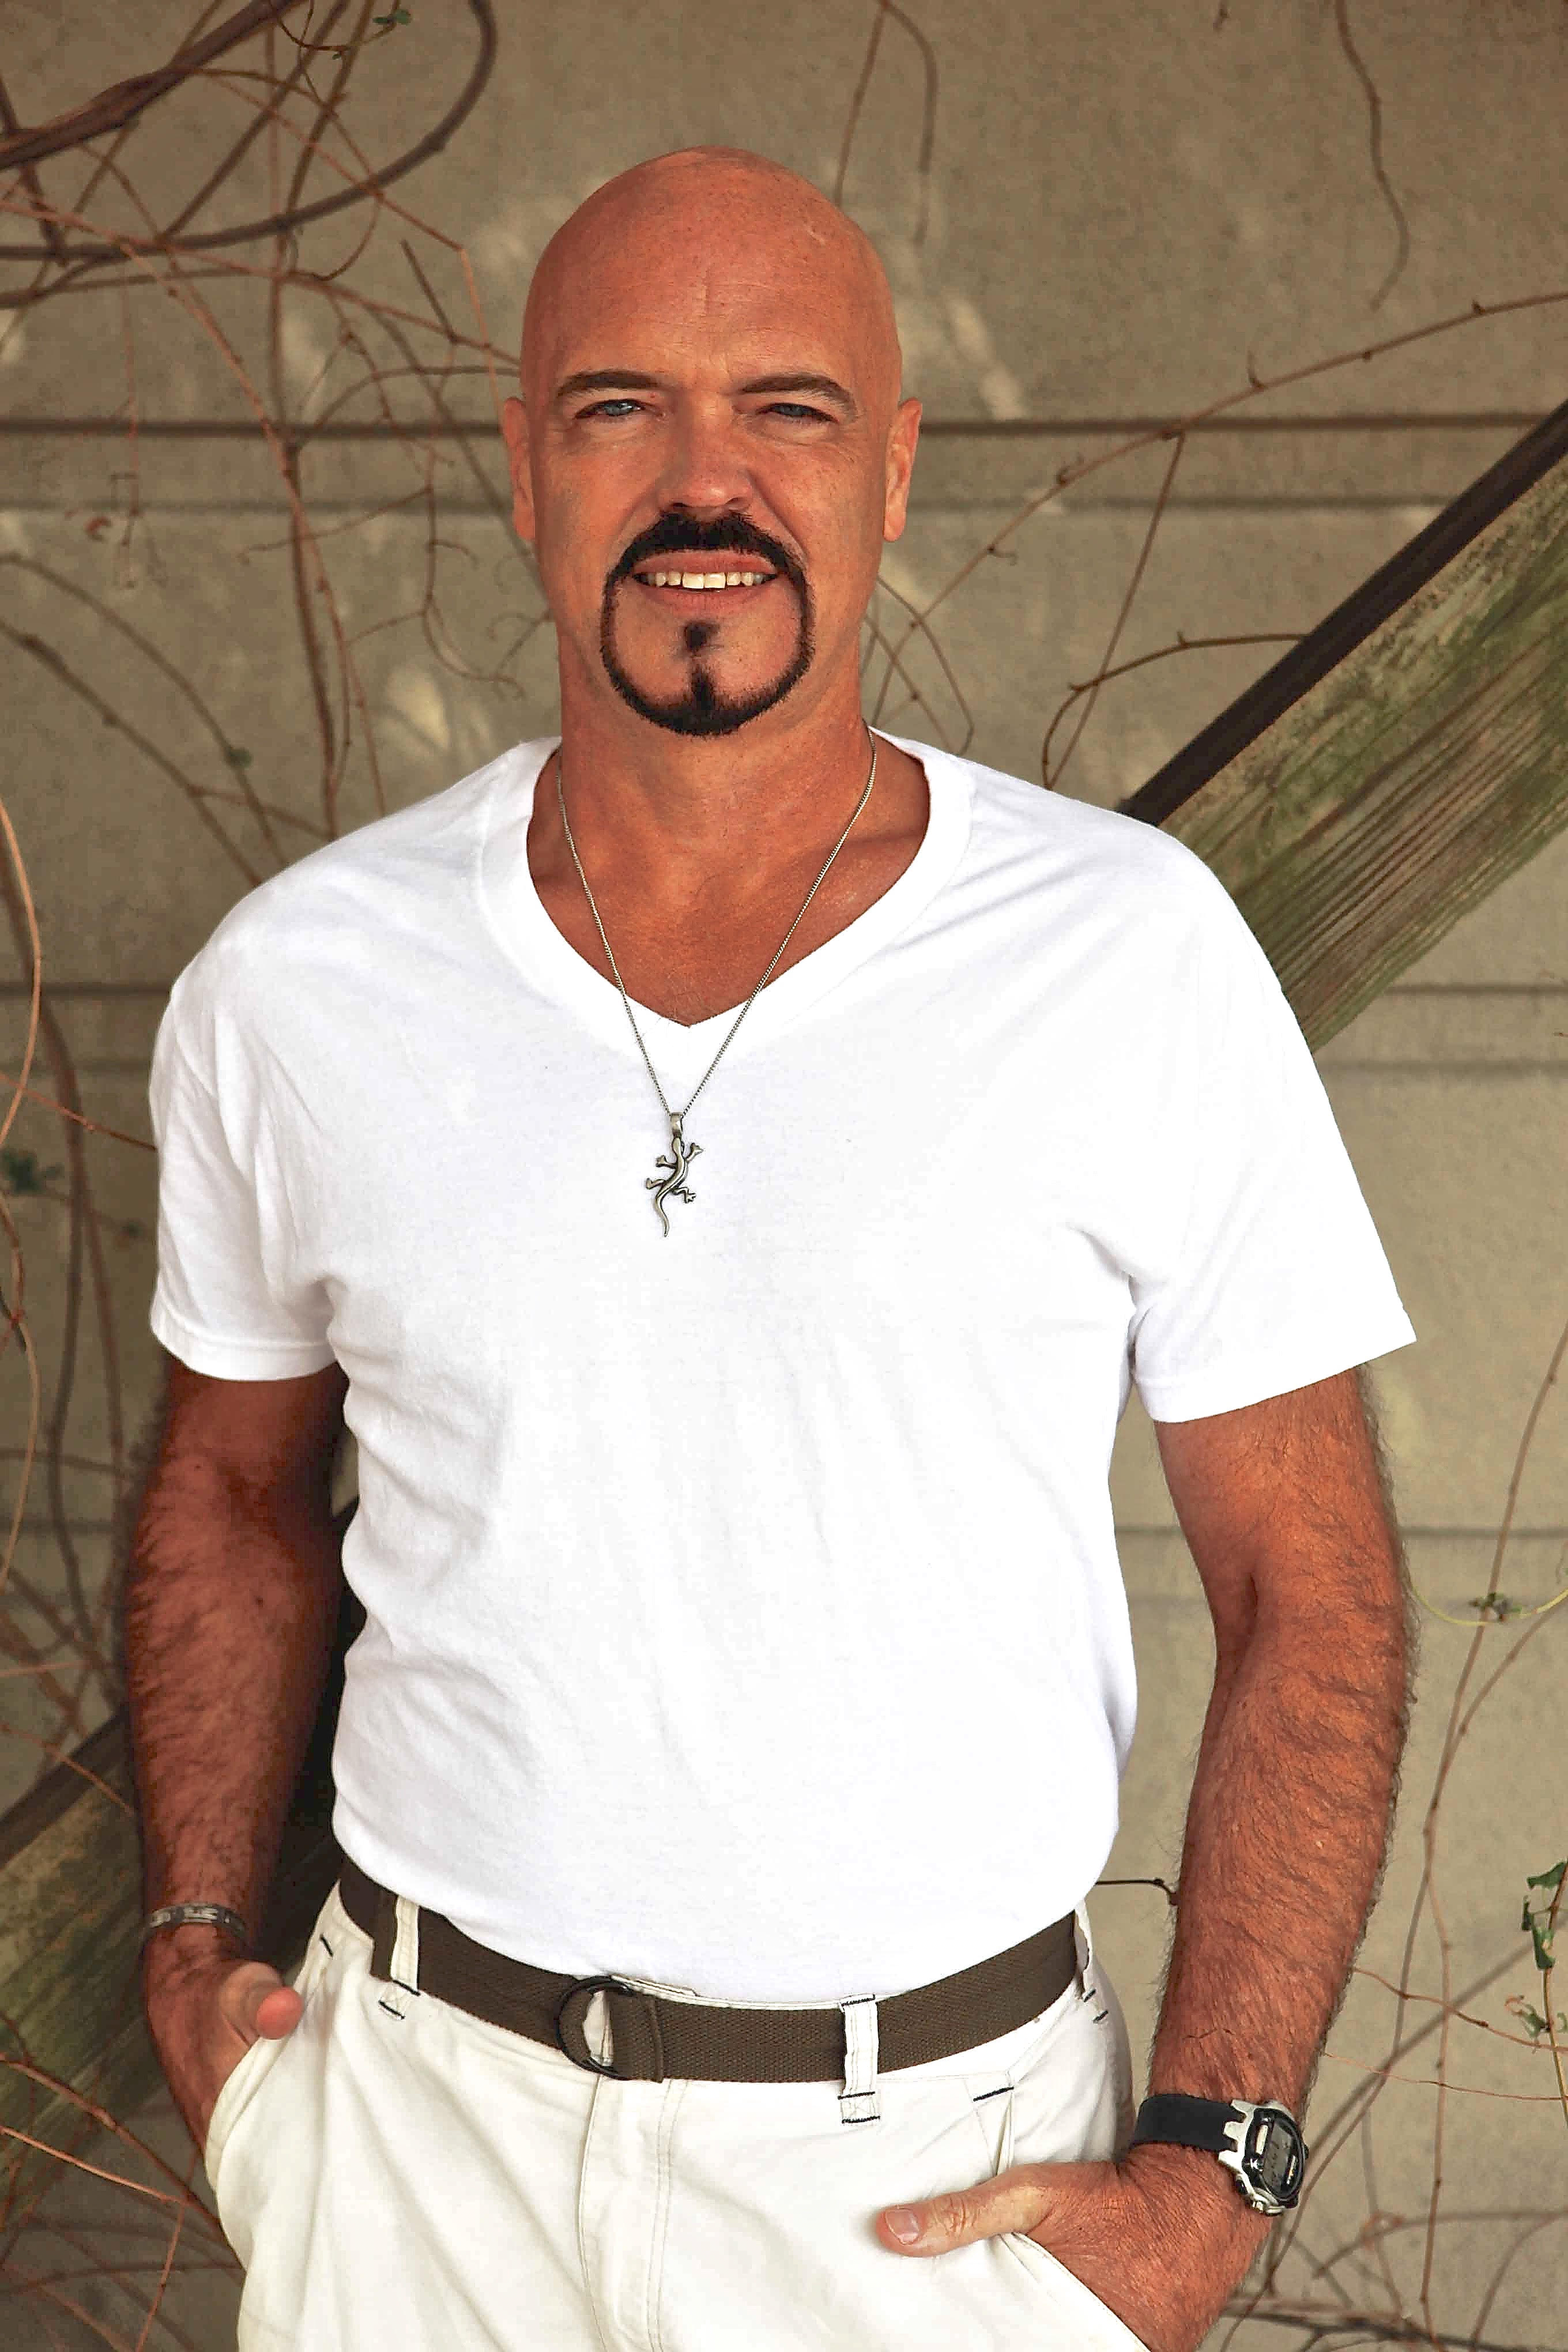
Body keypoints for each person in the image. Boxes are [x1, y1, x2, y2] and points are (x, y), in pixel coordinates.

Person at [126, 146, 1415, 2352]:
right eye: (619, 406)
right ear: (524, 469)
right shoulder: (301, 983)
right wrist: (191, 1947)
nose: (702, 481)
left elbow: (1316, 1587)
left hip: (933, 2196)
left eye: (787, 410)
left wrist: (1217, 2170)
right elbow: (231, 1491)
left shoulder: (1125, 958)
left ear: (890, 471)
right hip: (416, 2167)